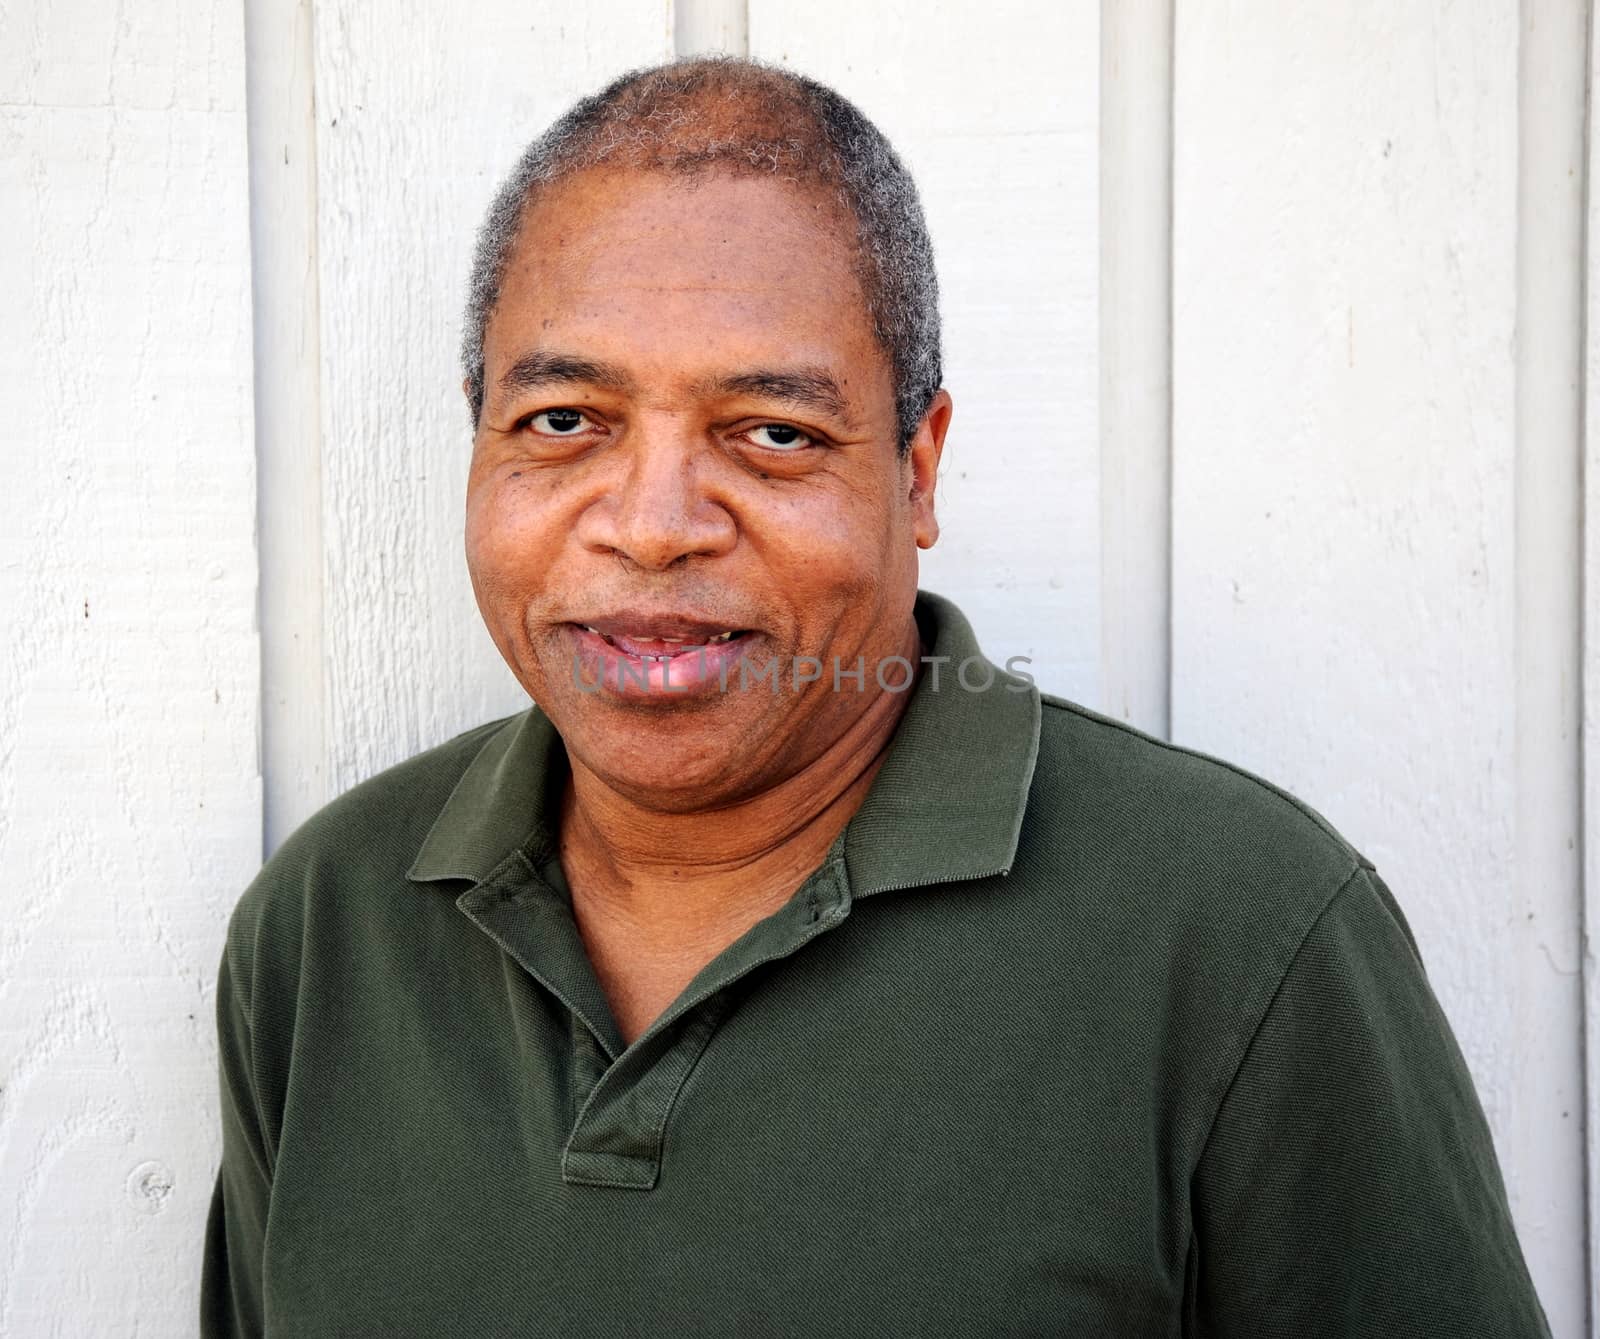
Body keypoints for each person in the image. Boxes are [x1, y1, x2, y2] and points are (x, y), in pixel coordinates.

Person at [201, 56, 1552, 1338]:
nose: (655, 525)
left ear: (917, 470)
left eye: (773, 434)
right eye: (565, 423)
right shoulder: (328, 932)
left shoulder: (1241, 938)